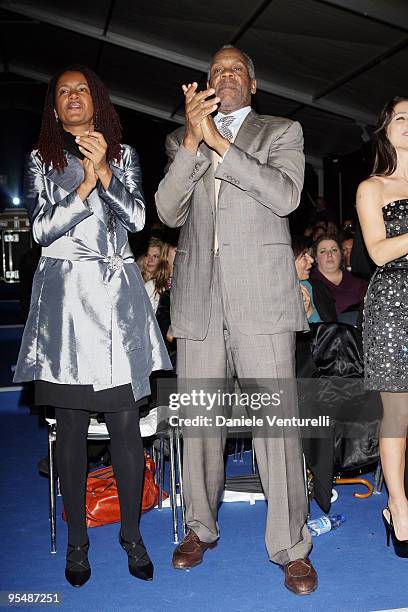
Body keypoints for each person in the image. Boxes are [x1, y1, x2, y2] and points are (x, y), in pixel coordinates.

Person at [156, 45, 318, 595]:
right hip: (200, 300)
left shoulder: (282, 131)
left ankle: (291, 547)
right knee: (201, 422)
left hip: (262, 301)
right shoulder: (186, 139)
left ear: (252, 83)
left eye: (234, 70)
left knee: (276, 427)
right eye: (215, 70)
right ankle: (199, 528)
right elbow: (167, 210)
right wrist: (193, 143)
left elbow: (285, 195)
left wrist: (221, 144)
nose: (224, 76)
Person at [13, 64, 171, 586]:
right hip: (64, 308)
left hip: (117, 305)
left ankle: (132, 534)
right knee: (73, 430)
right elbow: (40, 229)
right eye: (63, 92)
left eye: (81, 89)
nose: (73, 96)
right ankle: (78, 543)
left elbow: (138, 220)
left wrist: (104, 171)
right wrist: (83, 183)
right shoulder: (41, 159)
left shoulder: (124, 156)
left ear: (96, 100)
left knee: (126, 425)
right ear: (55, 109)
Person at [356, 95, 408, 557]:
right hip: (395, 302)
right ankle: (399, 503)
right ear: (386, 129)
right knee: (398, 412)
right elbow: (378, 252)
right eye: (402, 118)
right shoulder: (372, 187)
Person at [311, 234, 368, 322]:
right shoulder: (309, 283)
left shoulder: (358, 281)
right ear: (316, 258)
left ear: (341, 255)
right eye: (323, 251)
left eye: (334, 250)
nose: (329, 254)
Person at [292, 237, 336, 322]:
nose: (311, 260)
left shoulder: (317, 289)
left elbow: (329, 332)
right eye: (304, 255)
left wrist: (310, 312)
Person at [139, 237, 171, 313]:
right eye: (147, 255)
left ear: (162, 259)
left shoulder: (164, 286)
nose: (150, 260)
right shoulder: (133, 281)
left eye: (155, 256)